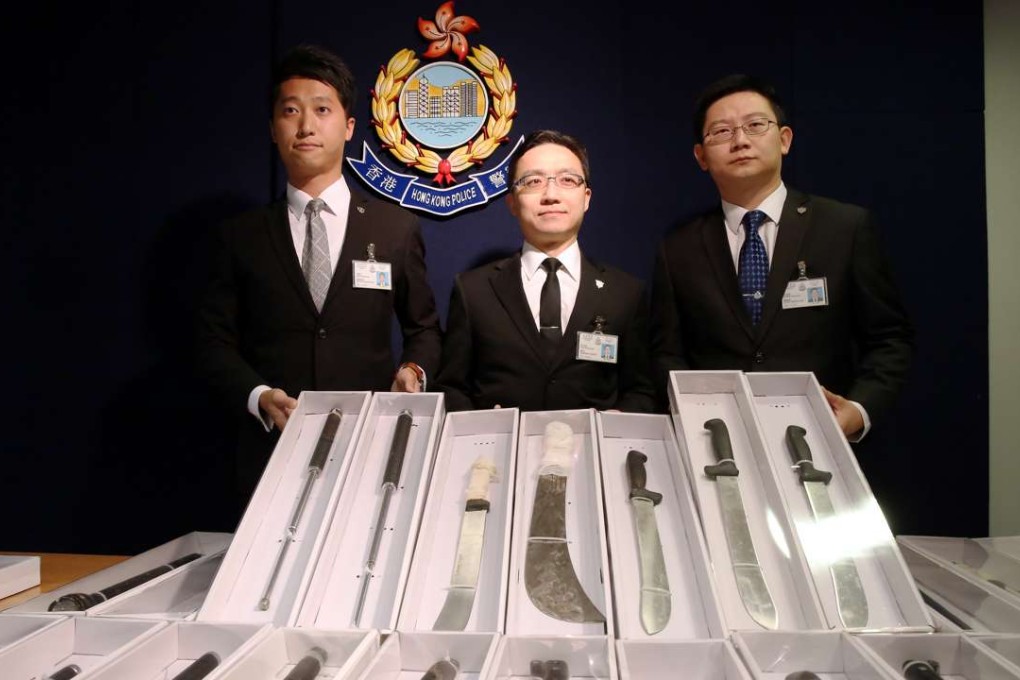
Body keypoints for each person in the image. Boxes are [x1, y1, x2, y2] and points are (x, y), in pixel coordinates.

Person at [197, 44, 441, 503]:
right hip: (271, 449)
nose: (306, 126)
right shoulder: (239, 236)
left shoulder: (395, 228)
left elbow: (424, 328)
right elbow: (213, 344)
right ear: (273, 129)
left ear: (348, 126)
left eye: (322, 110)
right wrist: (259, 396)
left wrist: (414, 370)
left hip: (371, 446)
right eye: (291, 111)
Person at [651, 75, 913, 439]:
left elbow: (889, 339)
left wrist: (858, 410)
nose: (740, 141)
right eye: (722, 132)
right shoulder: (678, 247)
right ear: (701, 157)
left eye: (755, 126)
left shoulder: (844, 227)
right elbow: (667, 353)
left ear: (785, 139)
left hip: (823, 438)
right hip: (718, 443)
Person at [436, 130, 656, 412]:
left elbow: (641, 390)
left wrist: (618, 421)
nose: (551, 195)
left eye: (567, 180)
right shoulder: (473, 290)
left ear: (586, 197)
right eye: (533, 181)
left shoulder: (625, 293)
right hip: (499, 453)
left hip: (592, 452)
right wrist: (482, 429)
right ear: (512, 202)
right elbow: (451, 388)